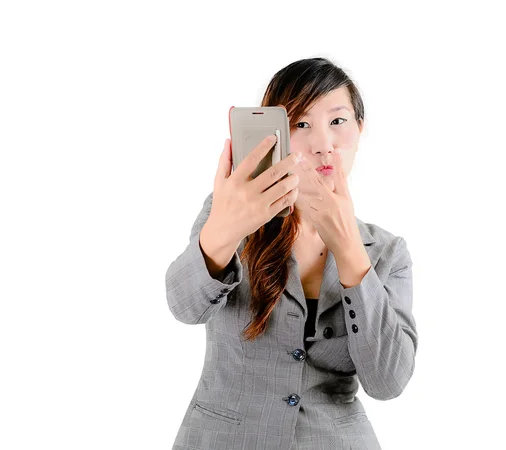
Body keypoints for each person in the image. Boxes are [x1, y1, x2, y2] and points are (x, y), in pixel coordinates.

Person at [165, 57, 418, 450]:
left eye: (337, 121)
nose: (323, 145)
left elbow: (388, 382)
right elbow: (184, 306)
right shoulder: (231, 212)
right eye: (301, 124)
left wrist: (349, 248)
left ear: (360, 129)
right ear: (276, 135)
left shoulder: (386, 252)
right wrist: (224, 232)